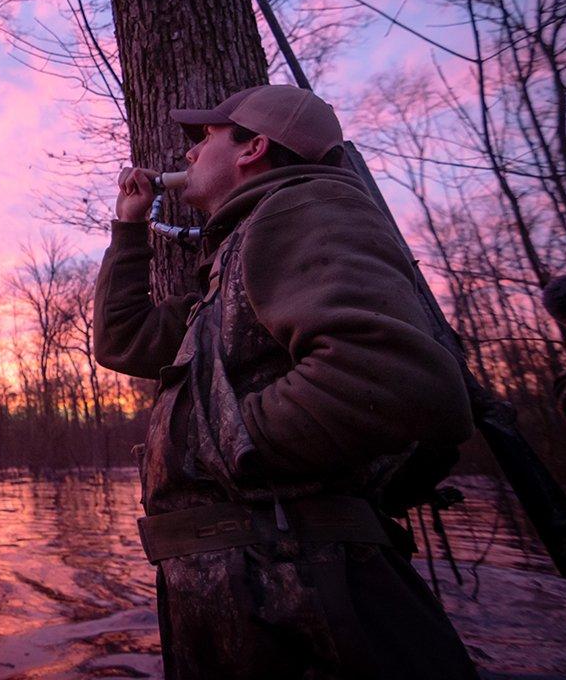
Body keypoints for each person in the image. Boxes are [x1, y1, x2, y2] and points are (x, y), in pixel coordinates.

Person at [93, 84, 479, 679]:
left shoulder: (304, 208)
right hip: (258, 597)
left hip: (310, 602)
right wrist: (129, 228)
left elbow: (402, 381)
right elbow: (124, 339)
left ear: (254, 149)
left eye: (206, 138)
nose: (190, 155)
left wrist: (222, 444)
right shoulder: (239, 253)